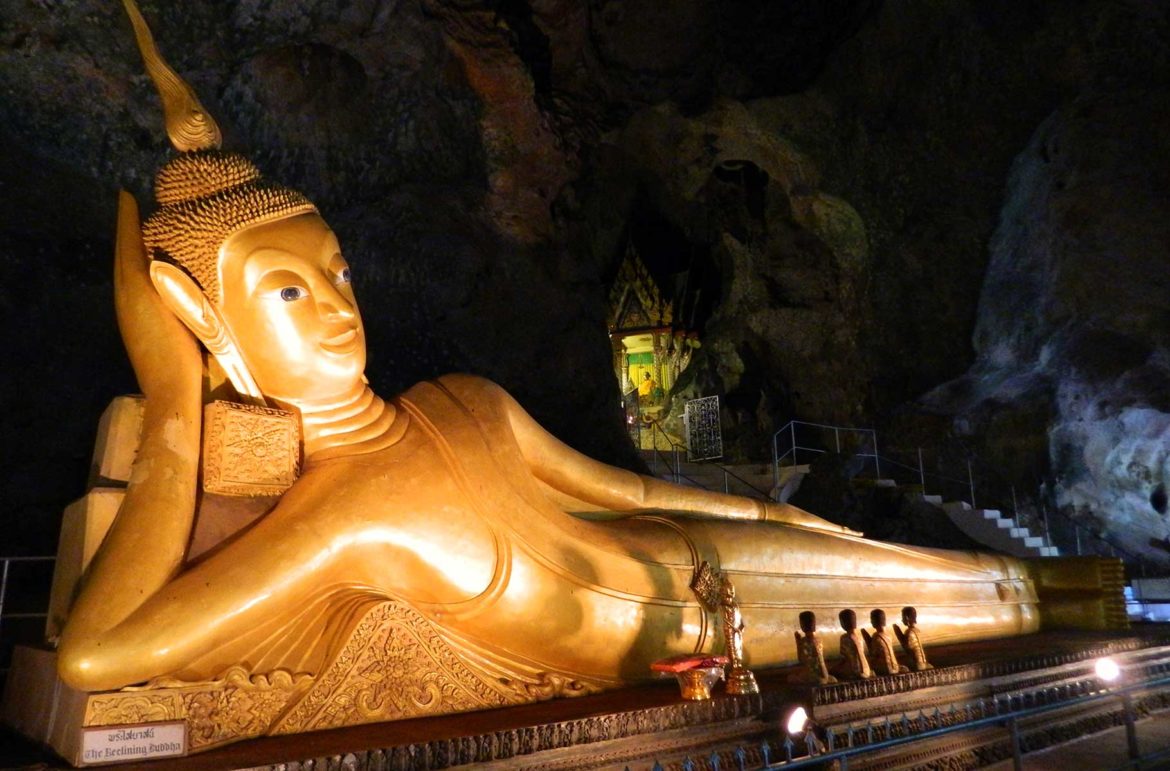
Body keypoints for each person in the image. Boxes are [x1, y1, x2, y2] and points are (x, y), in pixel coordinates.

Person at [57, 0, 1042, 698]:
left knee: (915, 570)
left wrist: (782, 517)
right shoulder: (340, 516)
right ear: (208, 317)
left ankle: (1046, 587)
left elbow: (631, 492)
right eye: (284, 291)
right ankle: (1026, 592)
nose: (332, 308)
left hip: (680, 557)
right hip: (656, 634)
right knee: (970, 601)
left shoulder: (461, 399)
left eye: (338, 274)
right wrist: (175, 398)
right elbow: (96, 657)